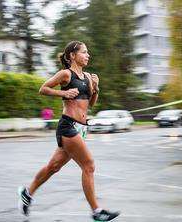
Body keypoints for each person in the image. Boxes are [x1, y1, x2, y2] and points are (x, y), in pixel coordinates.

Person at [18, 41, 120, 221]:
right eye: (84, 52)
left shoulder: (88, 76)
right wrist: (63, 93)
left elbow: (91, 103)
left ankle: (28, 193)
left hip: (81, 129)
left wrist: (96, 88)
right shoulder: (66, 74)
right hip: (68, 126)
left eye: (88, 52)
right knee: (89, 165)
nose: (88, 55)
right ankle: (96, 211)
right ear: (73, 55)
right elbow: (43, 89)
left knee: (53, 167)